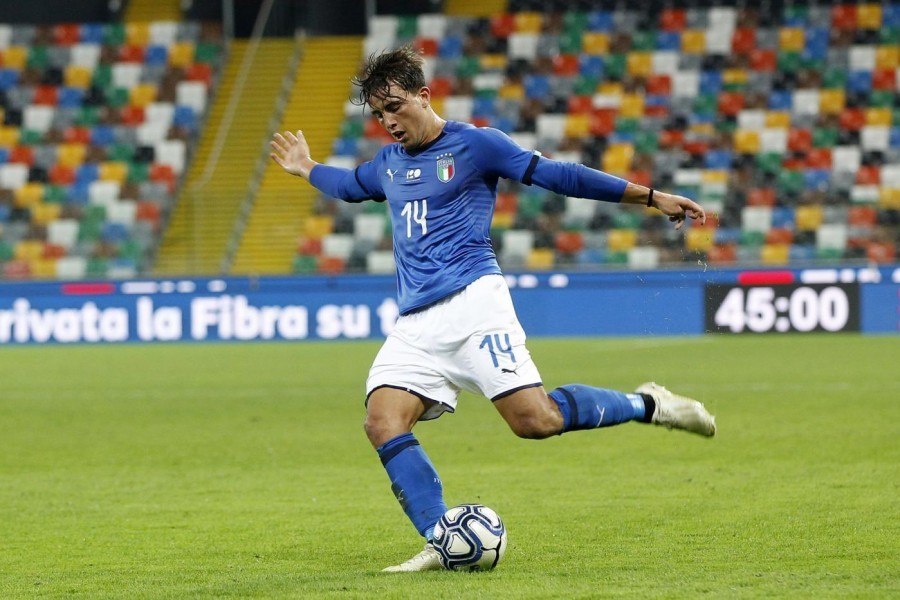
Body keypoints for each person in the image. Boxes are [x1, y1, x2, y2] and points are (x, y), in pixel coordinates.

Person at [271, 46, 716, 572]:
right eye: (377, 113)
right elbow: (348, 186)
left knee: (536, 421)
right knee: (382, 421)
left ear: (423, 95)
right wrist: (307, 169)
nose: (388, 121)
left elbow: (561, 176)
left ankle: (648, 404)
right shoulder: (387, 165)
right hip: (416, 322)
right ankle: (444, 539)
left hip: (475, 304)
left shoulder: (476, 145)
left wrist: (650, 196)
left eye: (394, 106)